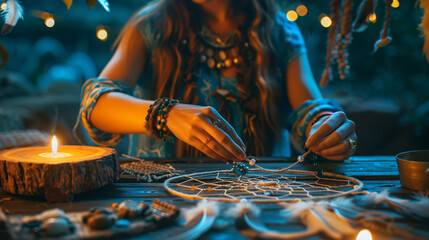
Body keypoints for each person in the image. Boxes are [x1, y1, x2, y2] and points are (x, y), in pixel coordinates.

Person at [74, 0, 357, 162]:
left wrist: (330, 129)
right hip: (161, 199)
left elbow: (309, 111)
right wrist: (166, 114)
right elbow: (96, 105)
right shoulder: (150, 25)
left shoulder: (280, 30)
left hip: (261, 198)